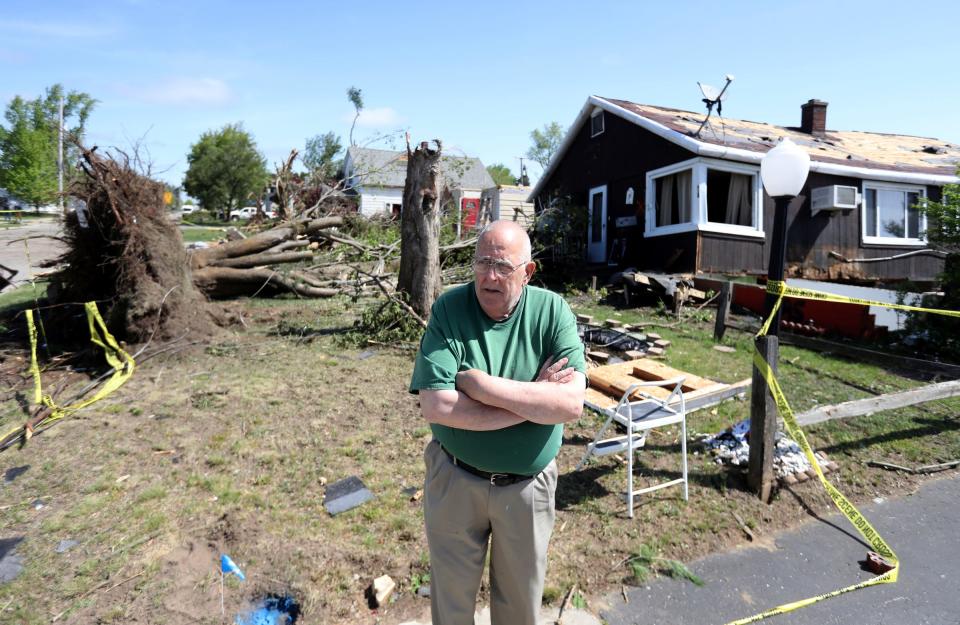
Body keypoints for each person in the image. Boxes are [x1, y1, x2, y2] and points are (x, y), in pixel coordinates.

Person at [409, 220, 586, 625]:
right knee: (451, 605)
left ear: (528, 271)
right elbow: (437, 406)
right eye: (482, 263)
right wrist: (531, 401)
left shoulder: (551, 311)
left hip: (527, 488)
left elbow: (570, 404)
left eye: (503, 267)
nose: (489, 276)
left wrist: (480, 385)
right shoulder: (450, 308)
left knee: (520, 606)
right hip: (454, 480)